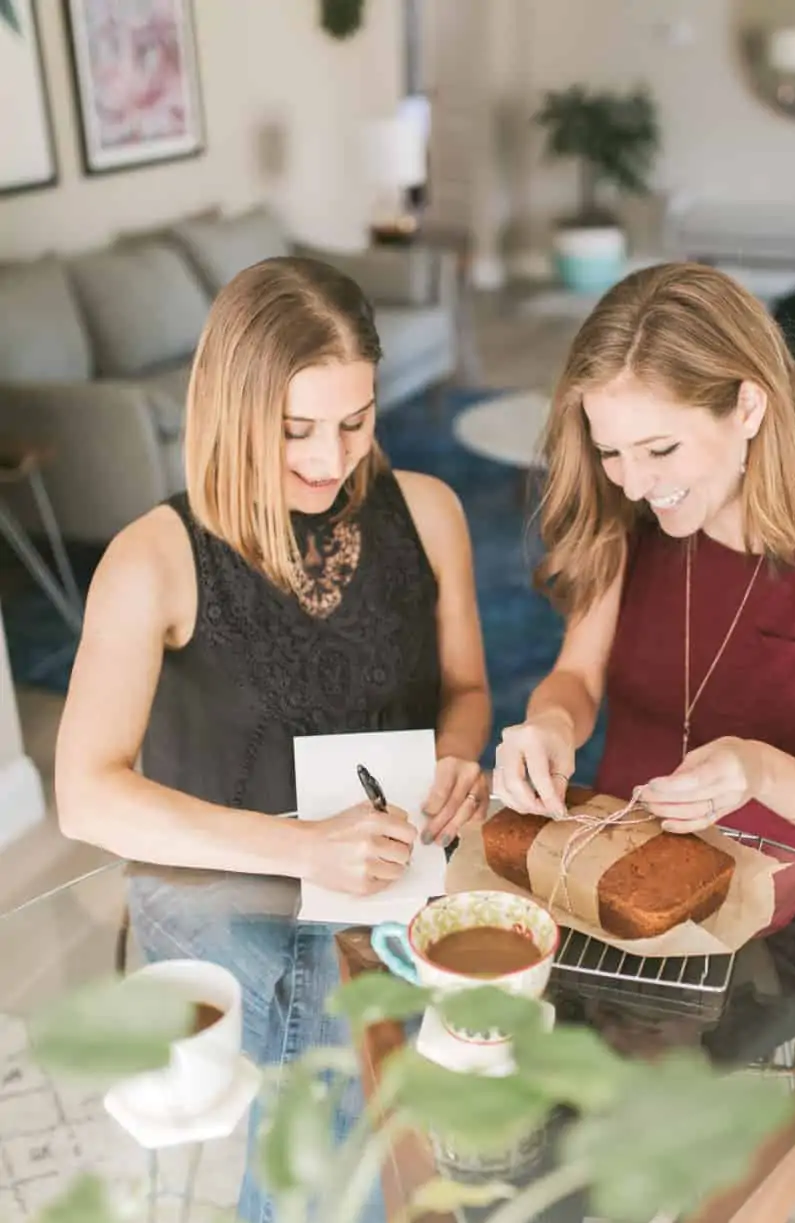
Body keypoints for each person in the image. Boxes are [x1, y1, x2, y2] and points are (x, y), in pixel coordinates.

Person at [54, 256, 491, 1222]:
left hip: (388, 867)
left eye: (355, 420)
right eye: (294, 430)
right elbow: (86, 793)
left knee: (476, 1016)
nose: (330, 460)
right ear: (229, 409)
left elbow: (466, 693)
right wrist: (302, 845)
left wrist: (459, 758)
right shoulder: (152, 558)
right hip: (211, 881)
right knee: (343, 1035)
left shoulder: (429, 513)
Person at [493, 261, 795, 935]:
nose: (635, 483)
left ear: (748, 407)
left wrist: (756, 769)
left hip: (774, 911)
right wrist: (553, 724)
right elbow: (576, 677)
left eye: (660, 448)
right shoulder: (628, 519)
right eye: (610, 450)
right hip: (613, 877)